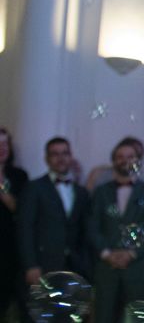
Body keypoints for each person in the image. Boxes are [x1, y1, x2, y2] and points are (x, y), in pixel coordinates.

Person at [87, 139, 144, 323]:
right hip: (107, 268)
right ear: (113, 161)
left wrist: (132, 253)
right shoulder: (101, 192)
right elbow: (92, 227)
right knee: (103, 318)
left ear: (138, 161)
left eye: (130, 156)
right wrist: (107, 254)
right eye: (120, 157)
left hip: (138, 268)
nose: (125, 160)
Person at [18, 137, 92, 284]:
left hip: (75, 266)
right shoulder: (34, 188)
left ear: (70, 157)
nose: (61, 158)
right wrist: (31, 265)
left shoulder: (81, 192)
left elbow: (85, 230)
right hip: (44, 264)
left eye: (65, 153)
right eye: (55, 154)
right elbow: (25, 229)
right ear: (46, 159)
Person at [0, 128, 29, 320]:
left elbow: (19, 209)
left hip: (8, 248)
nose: (2, 148)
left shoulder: (18, 175)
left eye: (5, 143)